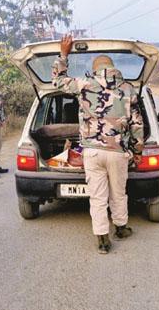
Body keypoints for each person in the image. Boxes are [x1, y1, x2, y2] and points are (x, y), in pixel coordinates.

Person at [52, 35, 144, 254]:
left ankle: (102, 240)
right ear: (112, 68)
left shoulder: (84, 84)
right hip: (118, 151)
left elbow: (57, 81)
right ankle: (120, 228)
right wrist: (137, 151)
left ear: (95, 69)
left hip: (92, 151)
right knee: (118, 193)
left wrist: (64, 54)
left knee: (97, 196)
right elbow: (137, 124)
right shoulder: (128, 89)